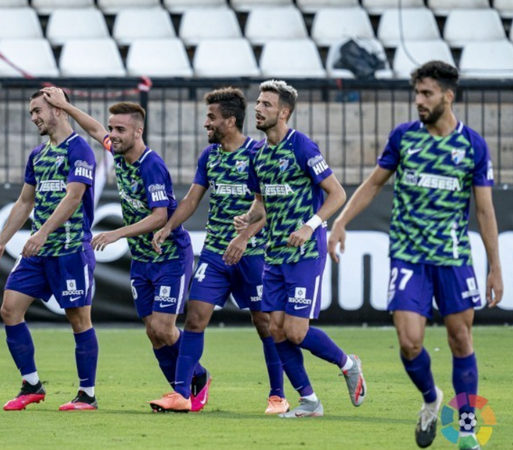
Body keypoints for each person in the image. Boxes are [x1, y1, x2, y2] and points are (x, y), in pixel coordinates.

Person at [328, 61, 503, 450]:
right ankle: (430, 399)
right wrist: (341, 223)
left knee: (461, 338)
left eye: (426, 94)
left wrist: (495, 267)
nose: (419, 101)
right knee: (409, 343)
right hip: (408, 256)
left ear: (448, 95)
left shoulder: (471, 145)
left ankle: (468, 427)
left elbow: (486, 211)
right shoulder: (404, 137)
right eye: (417, 93)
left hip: (454, 257)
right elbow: (373, 185)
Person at [41, 88, 211, 411]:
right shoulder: (118, 153)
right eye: (113, 128)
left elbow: (160, 216)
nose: (113, 135)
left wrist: (117, 233)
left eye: (120, 130)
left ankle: (185, 391)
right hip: (143, 260)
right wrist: (66, 106)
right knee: (153, 332)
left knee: (164, 327)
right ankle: (195, 378)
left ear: (138, 131)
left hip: (170, 256)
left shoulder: (151, 166)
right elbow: (93, 129)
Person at [148, 87, 288, 414]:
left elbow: (270, 208)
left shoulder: (258, 153)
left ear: (230, 120)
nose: (206, 123)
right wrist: (168, 227)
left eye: (211, 118)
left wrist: (243, 238)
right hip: (215, 254)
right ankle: (182, 393)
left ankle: (277, 396)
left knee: (265, 324)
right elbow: (191, 199)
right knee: (195, 318)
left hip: (253, 255)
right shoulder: (209, 156)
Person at [234, 79, 367, 418]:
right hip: (274, 254)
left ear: (284, 112)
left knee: (295, 330)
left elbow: (336, 194)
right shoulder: (258, 155)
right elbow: (261, 204)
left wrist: (310, 226)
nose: (258, 109)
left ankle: (348, 363)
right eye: (258, 102)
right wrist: (247, 220)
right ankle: (309, 401)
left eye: (266, 104)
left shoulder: (302, 146)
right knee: (274, 328)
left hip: (305, 253)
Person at [0, 91, 99, 411]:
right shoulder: (38, 154)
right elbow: (24, 202)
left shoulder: (80, 149)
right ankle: (31, 384)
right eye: (31, 111)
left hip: (71, 248)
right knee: (10, 308)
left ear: (58, 110)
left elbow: (74, 197)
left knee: (79, 319)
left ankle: (87, 394)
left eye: (38, 110)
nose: (33, 117)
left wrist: (43, 232)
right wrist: (1, 242)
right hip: (40, 252)